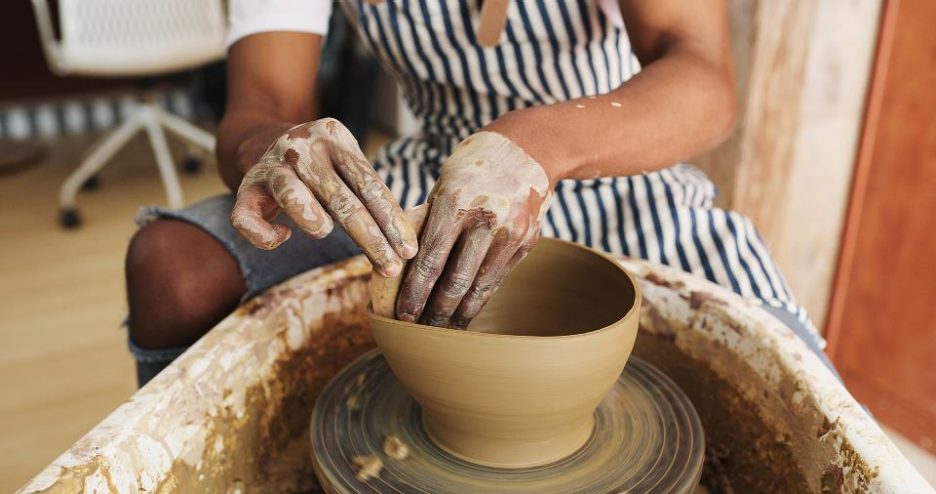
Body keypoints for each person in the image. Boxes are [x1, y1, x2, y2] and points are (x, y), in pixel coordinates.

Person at [125, 0, 831, 387]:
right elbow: (260, 104)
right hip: (429, 174)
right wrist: (268, 149)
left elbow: (703, 75)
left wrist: (538, 146)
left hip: (615, 163)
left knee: (790, 380)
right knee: (172, 265)